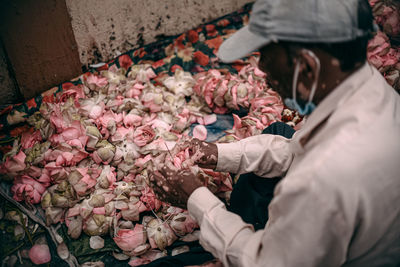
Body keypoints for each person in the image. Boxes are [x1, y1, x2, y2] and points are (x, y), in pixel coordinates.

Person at [150, 0, 400, 266]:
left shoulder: (322, 177)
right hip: (341, 223)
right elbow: (294, 150)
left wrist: (195, 199)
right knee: (279, 133)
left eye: (267, 56)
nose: (263, 70)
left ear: (306, 66)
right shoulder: (368, 84)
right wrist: (217, 153)